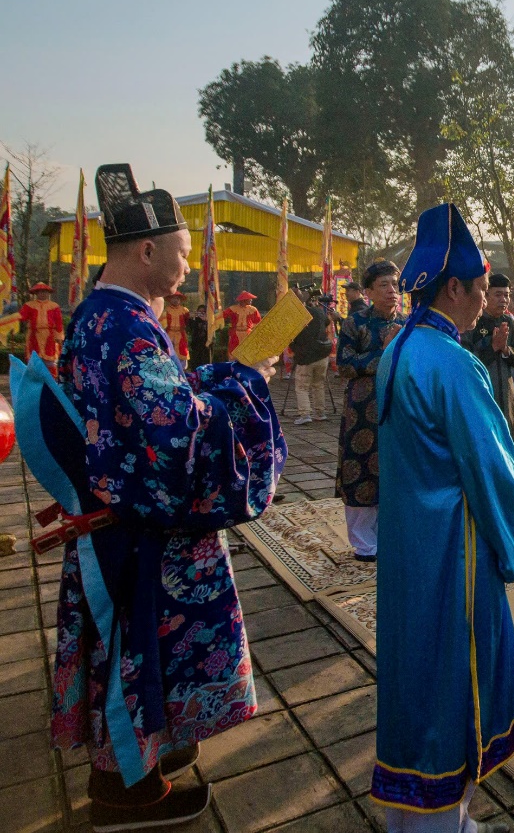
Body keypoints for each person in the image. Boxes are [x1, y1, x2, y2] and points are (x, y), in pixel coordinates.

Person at [39, 163, 283, 830]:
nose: (185, 266)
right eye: (181, 253)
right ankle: (126, 791)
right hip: (141, 529)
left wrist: (220, 375)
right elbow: (177, 432)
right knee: (135, 647)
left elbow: (158, 399)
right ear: (146, 251)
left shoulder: (101, 315)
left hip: (114, 518)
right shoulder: (128, 329)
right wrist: (242, 389)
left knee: (126, 649)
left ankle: (140, 756)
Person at [372, 203, 514, 833]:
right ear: (456, 287)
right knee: (452, 673)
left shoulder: (399, 350)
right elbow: (493, 469)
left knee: (411, 666)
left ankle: (408, 806)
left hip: (408, 541)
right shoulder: (453, 362)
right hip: (450, 550)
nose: (482, 300)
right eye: (479, 288)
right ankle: (439, 821)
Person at [336, 260, 403, 562]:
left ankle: (390, 534)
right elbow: (345, 364)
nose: (392, 291)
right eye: (384, 285)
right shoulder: (355, 323)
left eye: (395, 284)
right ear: (368, 291)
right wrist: (383, 352)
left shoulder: (407, 322)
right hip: (363, 409)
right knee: (361, 467)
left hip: (398, 406)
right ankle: (364, 544)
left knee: (394, 468)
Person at [462, 273, 514, 453]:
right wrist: (492, 348)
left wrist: (506, 350)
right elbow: (466, 363)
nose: (504, 300)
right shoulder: (472, 322)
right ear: (486, 295)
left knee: (510, 448)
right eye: (498, 295)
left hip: (507, 396)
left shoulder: (509, 322)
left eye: (506, 295)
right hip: (481, 395)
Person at [290, 287, 333, 425]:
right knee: (318, 384)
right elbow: (327, 322)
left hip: (306, 355)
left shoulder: (296, 316)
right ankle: (320, 413)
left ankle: (305, 414)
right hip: (322, 352)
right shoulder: (318, 311)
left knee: (302, 386)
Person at [19, 281, 65, 375]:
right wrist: (13, 320)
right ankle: (34, 383)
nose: (42, 294)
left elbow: (59, 322)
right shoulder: (29, 305)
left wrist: (59, 337)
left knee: (51, 360)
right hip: (33, 335)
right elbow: (21, 317)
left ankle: (52, 381)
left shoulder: (54, 306)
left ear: (48, 293)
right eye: (40, 292)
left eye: (45, 291)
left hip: (50, 335)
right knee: (34, 359)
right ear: (36, 293)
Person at [222, 290, 261, 355]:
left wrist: (252, 328)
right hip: (235, 333)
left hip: (248, 333)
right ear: (244, 300)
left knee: (247, 352)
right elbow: (222, 315)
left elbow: (258, 321)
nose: (251, 300)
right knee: (233, 352)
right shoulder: (233, 308)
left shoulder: (253, 309)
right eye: (249, 299)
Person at [160, 291, 190, 367]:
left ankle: (182, 370)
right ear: (170, 299)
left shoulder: (184, 310)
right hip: (168, 333)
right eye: (173, 298)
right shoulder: (165, 310)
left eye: (177, 298)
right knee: (167, 350)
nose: (175, 300)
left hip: (180, 333)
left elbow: (187, 321)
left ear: (180, 300)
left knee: (182, 350)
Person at [186, 303, 210, 369]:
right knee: (196, 360)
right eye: (200, 312)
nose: (202, 313)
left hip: (206, 344)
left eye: (203, 312)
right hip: (196, 343)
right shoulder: (195, 320)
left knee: (205, 360)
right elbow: (190, 327)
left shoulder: (209, 321)